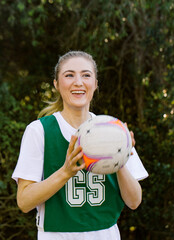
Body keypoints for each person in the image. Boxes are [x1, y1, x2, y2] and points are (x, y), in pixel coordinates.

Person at [12, 50, 148, 240]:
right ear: (57, 84)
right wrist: (65, 172)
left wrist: (120, 161)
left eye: (86, 75)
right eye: (69, 75)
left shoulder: (114, 131)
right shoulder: (39, 131)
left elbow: (134, 202)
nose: (78, 82)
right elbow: (24, 202)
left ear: (95, 84)